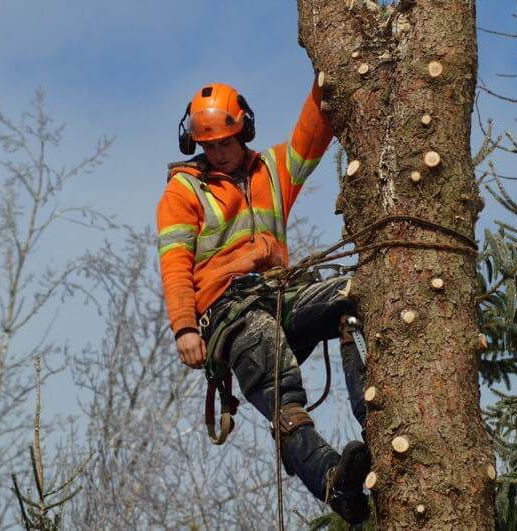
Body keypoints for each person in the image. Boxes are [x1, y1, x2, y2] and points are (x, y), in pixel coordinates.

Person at [156, 79, 370, 523]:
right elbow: (175, 263)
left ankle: (376, 415)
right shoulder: (184, 191)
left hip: (279, 295)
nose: (218, 152)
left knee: (357, 293)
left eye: (226, 141)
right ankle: (336, 484)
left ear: (244, 131)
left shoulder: (271, 170)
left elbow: (311, 133)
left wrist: (324, 80)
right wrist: (184, 327)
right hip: (229, 312)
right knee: (283, 390)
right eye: (209, 144)